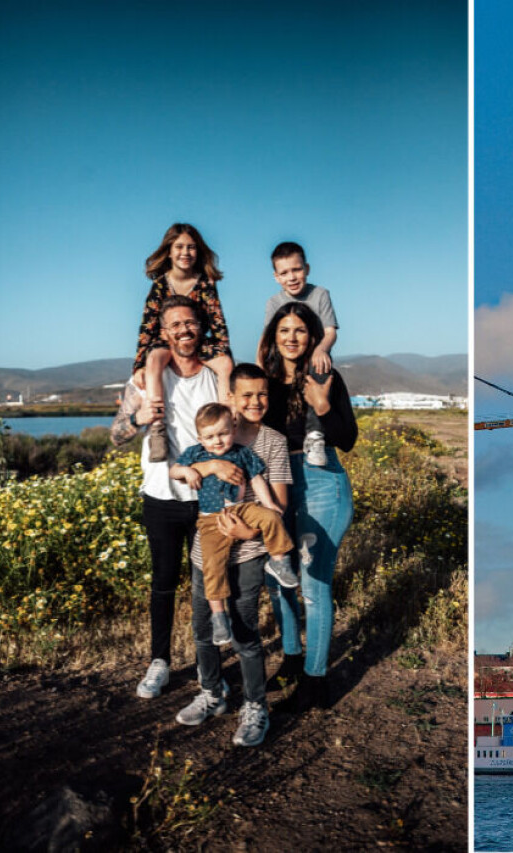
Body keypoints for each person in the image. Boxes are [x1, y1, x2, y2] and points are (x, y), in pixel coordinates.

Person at [175, 363, 293, 747]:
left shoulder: (271, 441)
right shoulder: (211, 433)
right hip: (204, 547)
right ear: (230, 398)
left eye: (262, 394)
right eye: (246, 395)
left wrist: (249, 531)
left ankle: (255, 705)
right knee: (204, 629)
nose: (255, 402)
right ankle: (212, 693)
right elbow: (179, 471)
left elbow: (279, 503)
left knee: (244, 633)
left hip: (249, 550)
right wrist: (208, 464)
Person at [111, 295, 219, 699]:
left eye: (190, 323)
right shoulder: (144, 380)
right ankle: (159, 662)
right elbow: (117, 435)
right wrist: (138, 418)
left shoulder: (215, 376)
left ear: (201, 326)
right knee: (163, 582)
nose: (184, 331)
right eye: (175, 325)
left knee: (208, 584)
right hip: (160, 495)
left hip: (208, 497)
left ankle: (208, 665)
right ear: (163, 332)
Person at [257, 302, 357, 710]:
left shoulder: (326, 377)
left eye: (300, 330)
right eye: (284, 330)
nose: (292, 338)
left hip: (321, 483)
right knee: (278, 578)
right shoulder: (263, 381)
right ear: (273, 337)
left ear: (312, 336)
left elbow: (347, 437)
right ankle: (292, 659)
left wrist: (321, 402)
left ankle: (316, 679)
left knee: (314, 586)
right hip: (276, 482)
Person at [169, 403, 298, 646]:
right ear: (200, 438)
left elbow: (257, 479)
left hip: (243, 509)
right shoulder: (196, 454)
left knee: (272, 518)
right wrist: (187, 472)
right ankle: (219, 616)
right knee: (212, 565)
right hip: (211, 519)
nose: (217, 441)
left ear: (233, 429)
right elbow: (173, 471)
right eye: (210, 436)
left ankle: (279, 562)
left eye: (223, 433)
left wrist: (270, 503)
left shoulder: (242, 453)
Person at [133, 223, 235, 462]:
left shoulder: (206, 283)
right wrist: (139, 366)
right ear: (169, 251)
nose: (185, 253)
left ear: (198, 251)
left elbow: (218, 323)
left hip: (199, 341)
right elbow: (146, 326)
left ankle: (229, 418)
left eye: (191, 247)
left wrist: (224, 355)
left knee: (225, 365)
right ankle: (158, 428)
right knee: (155, 359)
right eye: (179, 247)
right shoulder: (159, 285)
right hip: (165, 341)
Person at [264, 241, 339, 467]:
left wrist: (320, 348)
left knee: (320, 365)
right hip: (284, 359)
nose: (292, 277)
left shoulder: (319, 294)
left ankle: (315, 436)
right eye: (285, 273)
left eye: (296, 270)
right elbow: (268, 337)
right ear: (276, 277)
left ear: (307, 269)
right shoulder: (274, 302)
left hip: (313, 358)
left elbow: (330, 332)